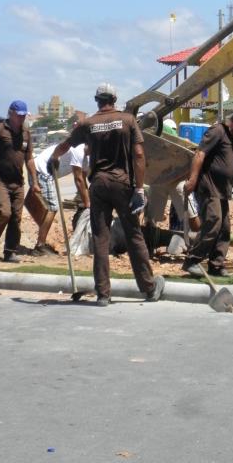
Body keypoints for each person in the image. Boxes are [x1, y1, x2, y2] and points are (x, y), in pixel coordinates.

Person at [48, 83, 165, 307]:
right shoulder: (128, 121)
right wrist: (139, 189)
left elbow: (65, 145)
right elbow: (139, 154)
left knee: (101, 239)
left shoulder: (88, 124)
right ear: (114, 99)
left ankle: (103, 294)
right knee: (134, 235)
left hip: (99, 184)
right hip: (122, 183)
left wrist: (54, 156)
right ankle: (149, 287)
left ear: (97, 101)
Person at [182, 110, 233, 278]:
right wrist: (193, 179)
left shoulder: (231, 138)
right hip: (209, 187)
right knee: (213, 221)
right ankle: (192, 260)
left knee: (224, 228)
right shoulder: (218, 131)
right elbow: (200, 154)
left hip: (222, 190)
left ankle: (216, 264)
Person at [0, 99, 39, 263]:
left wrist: (34, 182)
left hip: (18, 182)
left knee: (16, 217)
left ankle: (10, 251)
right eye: (19, 115)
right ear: (11, 113)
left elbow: (29, 159)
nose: (22, 119)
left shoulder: (26, 133)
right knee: (4, 213)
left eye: (24, 116)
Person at [31, 143, 89, 254]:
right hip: (42, 170)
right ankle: (40, 246)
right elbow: (78, 180)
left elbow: (83, 181)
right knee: (52, 208)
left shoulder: (88, 156)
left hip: (48, 173)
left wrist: (88, 202)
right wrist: (87, 204)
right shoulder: (78, 150)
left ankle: (41, 241)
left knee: (46, 208)